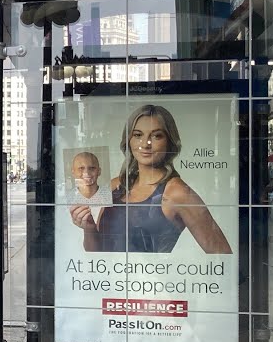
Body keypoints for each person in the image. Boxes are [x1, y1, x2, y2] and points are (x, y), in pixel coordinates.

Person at [70, 104, 231, 254]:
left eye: (156, 136)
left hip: (152, 283)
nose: (146, 144)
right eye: (138, 135)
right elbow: (97, 254)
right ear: (129, 140)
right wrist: (89, 229)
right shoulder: (116, 185)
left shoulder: (177, 193)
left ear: (169, 142)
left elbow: (223, 257)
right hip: (109, 283)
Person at [67, 151, 111, 225]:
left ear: (99, 171)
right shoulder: (66, 199)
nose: (86, 173)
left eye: (92, 168)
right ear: (73, 172)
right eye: (81, 168)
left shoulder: (109, 196)